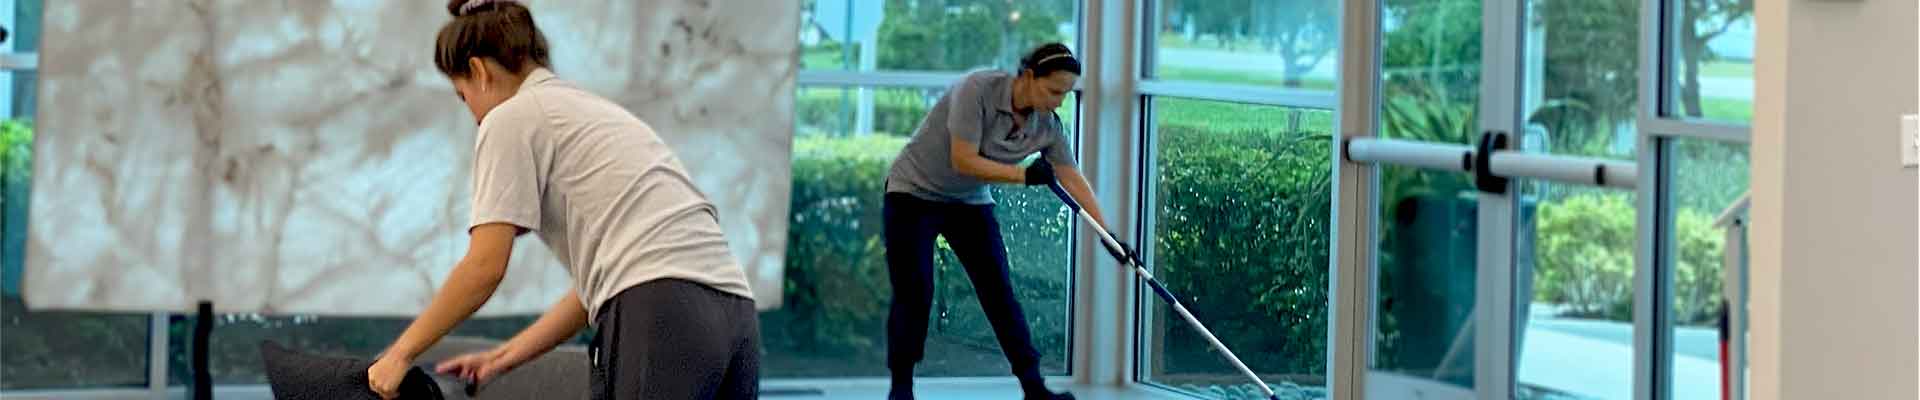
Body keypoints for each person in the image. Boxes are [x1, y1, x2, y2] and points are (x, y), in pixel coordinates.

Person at [366, 1, 760, 399]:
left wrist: (399, 354)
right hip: (735, 315)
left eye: (461, 95)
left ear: (479, 72)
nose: (472, 114)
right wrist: (503, 357)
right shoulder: (593, 113)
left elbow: (484, 266)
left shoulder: (510, 117)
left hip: (661, 312)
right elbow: (596, 291)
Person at [882, 43, 1128, 400]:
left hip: (967, 200)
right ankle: (900, 390)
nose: (1060, 101)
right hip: (914, 192)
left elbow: (1071, 176)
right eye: (1054, 91)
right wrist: (1024, 177)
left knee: (998, 291)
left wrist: (1109, 236)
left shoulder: (1048, 126)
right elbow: (963, 160)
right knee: (915, 290)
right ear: (1028, 77)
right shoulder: (976, 90)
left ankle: (1034, 388)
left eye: (1066, 94)